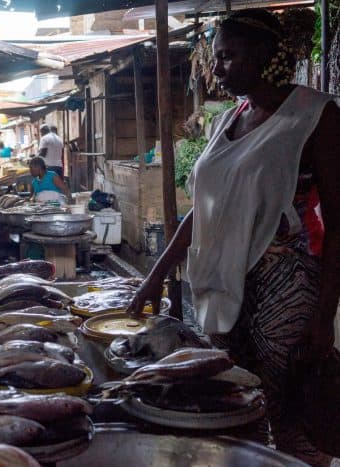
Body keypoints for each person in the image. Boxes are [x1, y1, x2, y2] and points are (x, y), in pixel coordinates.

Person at [127, 10, 340, 466]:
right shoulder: (228, 120)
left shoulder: (315, 115)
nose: (216, 68)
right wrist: (155, 277)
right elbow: (202, 214)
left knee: (291, 422)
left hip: (284, 294)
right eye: (216, 57)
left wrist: (325, 318)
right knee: (233, 409)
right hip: (224, 293)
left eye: (226, 57)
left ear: (263, 55)